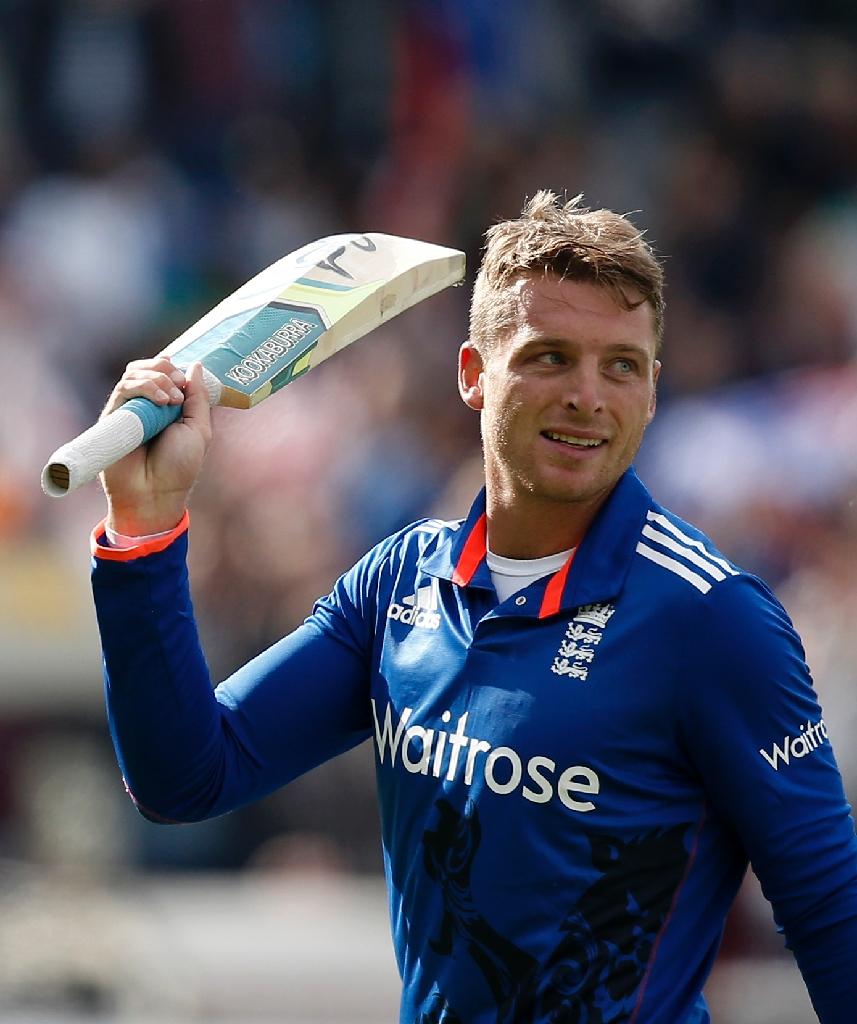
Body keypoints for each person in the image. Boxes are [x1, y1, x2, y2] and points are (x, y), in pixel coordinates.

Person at [90, 192, 857, 1024]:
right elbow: (185, 777)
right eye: (548, 357)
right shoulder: (397, 582)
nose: (587, 396)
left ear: (652, 390)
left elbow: (829, 909)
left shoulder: (714, 621)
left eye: (621, 366)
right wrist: (145, 528)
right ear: (471, 376)